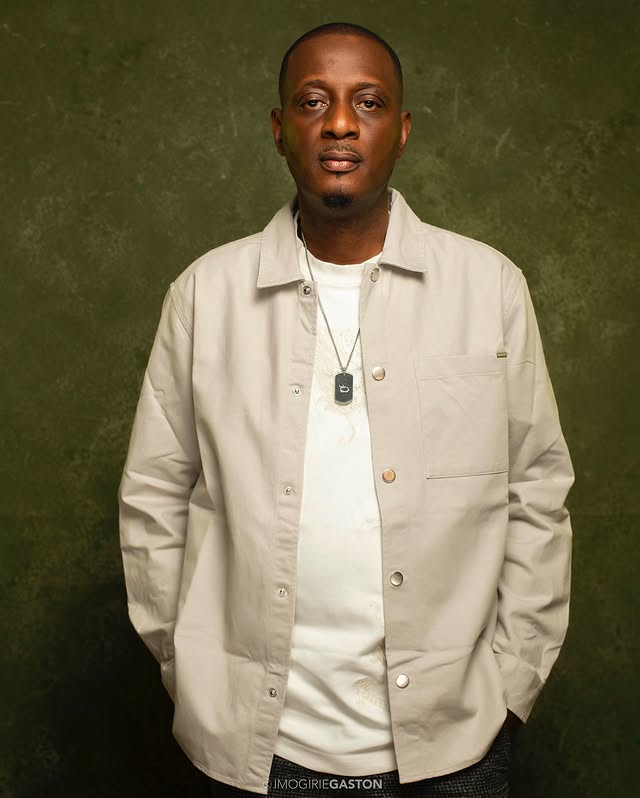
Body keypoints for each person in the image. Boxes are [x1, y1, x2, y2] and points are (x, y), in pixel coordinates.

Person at [118, 21, 574, 798]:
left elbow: (536, 490)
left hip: (455, 745)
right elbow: (155, 498)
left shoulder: (489, 287)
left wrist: (511, 680)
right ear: (278, 129)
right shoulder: (205, 296)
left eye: (367, 102)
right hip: (252, 749)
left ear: (402, 129)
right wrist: (187, 663)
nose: (338, 122)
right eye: (312, 101)